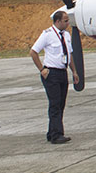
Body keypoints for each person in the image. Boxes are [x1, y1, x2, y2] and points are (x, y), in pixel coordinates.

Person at [30, 10, 79, 144]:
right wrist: (42, 69)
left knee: (61, 103)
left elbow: (70, 54)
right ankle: (57, 134)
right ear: (57, 22)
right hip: (51, 73)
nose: (68, 23)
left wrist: (74, 71)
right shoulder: (47, 35)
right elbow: (33, 52)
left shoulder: (67, 35)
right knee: (55, 104)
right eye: (65, 21)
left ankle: (52, 132)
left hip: (62, 72)